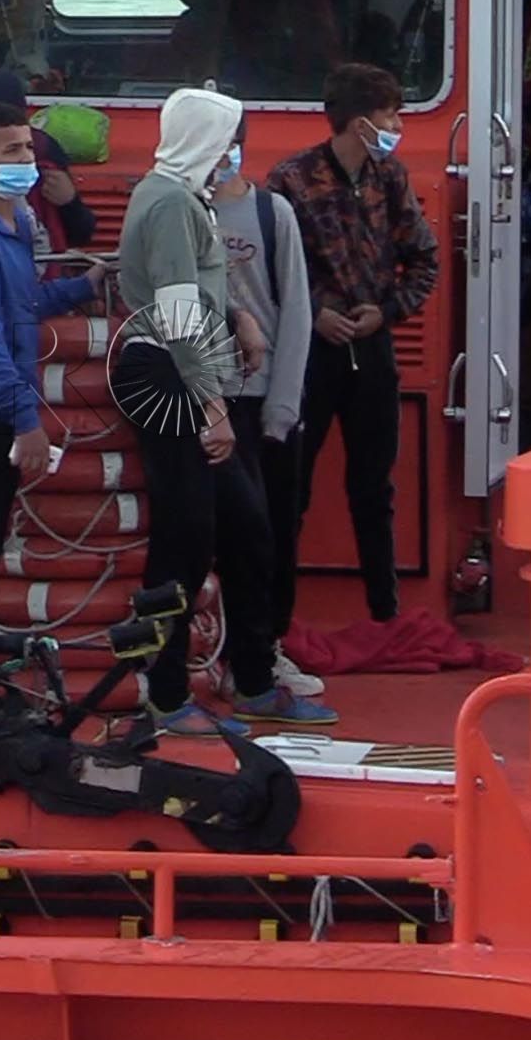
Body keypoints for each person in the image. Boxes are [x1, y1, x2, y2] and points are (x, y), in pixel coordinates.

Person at [113, 88, 330, 730]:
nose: (232, 152)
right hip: (170, 375)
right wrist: (211, 408)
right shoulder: (174, 202)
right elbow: (178, 313)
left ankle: (254, 676)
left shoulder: (180, 197)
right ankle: (167, 691)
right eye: (226, 138)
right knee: (186, 533)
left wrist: (237, 316)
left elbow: (192, 289)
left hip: (184, 369)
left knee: (245, 525)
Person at [267, 63, 441, 623]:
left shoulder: (390, 178)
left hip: (372, 351)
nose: (396, 125)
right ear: (362, 121)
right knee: (290, 487)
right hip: (308, 354)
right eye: (390, 114)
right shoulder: (289, 181)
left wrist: (384, 312)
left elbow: (424, 258)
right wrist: (315, 314)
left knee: (374, 487)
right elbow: (269, 272)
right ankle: (274, 618)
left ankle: (383, 614)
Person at [0, 105, 105, 638]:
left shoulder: (18, 222)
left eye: (28, 148)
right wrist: (26, 419)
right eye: (13, 151)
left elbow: (20, 302)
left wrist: (79, 288)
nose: (27, 160)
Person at [212, 123, 323, 702]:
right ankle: (212, 652)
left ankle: (264, 649)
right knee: (215, 536)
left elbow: (297, 310)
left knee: (274, 534)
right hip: (205, 399)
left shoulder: (271, 212)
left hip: (265, 403)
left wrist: (284, 404)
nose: (223, 152)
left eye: (233, 140)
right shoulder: (179, 210)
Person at [0, 58, 98, 251]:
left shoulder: (44, 152)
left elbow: (79, 231)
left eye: (27, 147)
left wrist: (70, 202)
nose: (24, 157)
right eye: (12, 149)